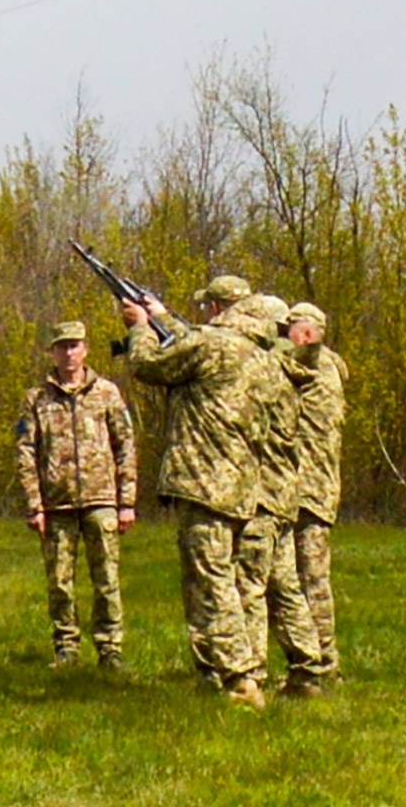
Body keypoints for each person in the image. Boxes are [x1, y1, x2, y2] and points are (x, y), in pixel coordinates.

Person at [120, 275, 270, 709]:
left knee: (212, 581)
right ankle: (233, 669)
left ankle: (240, 682)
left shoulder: (213, 343)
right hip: (240, 484)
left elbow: (150, 365)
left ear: (220, 308)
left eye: (208, 307)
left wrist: (138, 326)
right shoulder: (254, 353)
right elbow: (197, 348)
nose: (202, 313)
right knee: (231, 580)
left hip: (204, 481)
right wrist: (162, 316)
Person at [15, 320, 138, 671]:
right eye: (62, 346)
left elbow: (125, 446)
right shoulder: (36, 399)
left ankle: (110, 649)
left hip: (102, 501)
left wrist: (126, 501)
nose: (68, 353)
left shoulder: (107, 393)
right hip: (57, 504)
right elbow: (25, 452)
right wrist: (34, 505)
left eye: (75, 345)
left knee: (107, 578)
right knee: (60, 582)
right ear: (53, 351)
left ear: (85, 349)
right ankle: (66, 647)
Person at [231, 294, 324, 698]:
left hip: (263, 496)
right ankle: (308, 669)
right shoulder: (291, 368)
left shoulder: (266, 370)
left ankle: (253, 674)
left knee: (250, 585)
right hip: (285, 495)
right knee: (285, 586)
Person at [286, 302, 349, 681]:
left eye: (289, 330)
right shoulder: (326, 365)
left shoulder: (314, 369)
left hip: (307, 490)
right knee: (308, 580)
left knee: (311, 581)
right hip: (312, 488)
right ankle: (315, 663)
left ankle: (323, 665)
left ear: (307, 335)